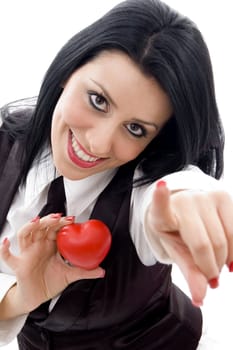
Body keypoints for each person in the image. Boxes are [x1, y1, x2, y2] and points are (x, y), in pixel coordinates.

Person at [0, 0, 232, 348]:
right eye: (97, 100)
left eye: (136, 129)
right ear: (69, 68)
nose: (98, 143)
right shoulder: (5, 149)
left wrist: (187, 203)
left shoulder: (144, 191)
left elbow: (169, 195)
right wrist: (20, 299)